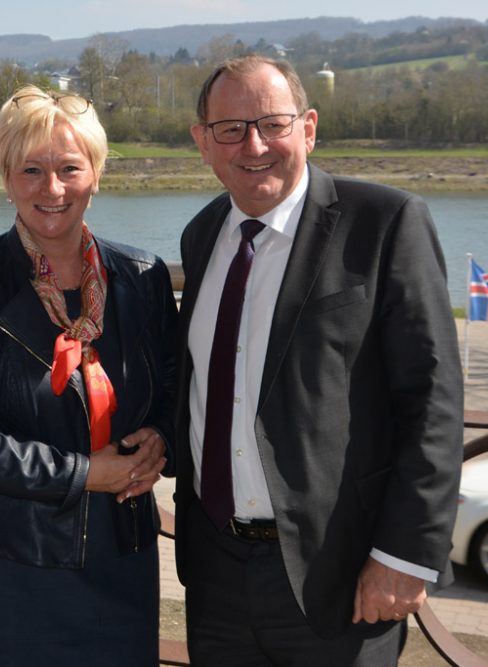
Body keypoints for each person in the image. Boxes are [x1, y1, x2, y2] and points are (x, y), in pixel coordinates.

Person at [174, 55, 464, 665]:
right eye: (230, 128)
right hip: (215, 574)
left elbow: (433, 400)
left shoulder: (383, 223)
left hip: (339, 575)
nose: (253, 145)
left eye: (272, 124)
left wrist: (403, 556)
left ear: (307, 128)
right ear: (203, 142)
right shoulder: (202, 235)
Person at [0, 85, 178, 665]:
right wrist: (87, 474)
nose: (52, 189)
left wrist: (160, 434)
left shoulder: (143, 278)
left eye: (69, 168)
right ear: (5, 177)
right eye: (31, 169)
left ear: (97, 173)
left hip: (119, 565)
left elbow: (176, 390)